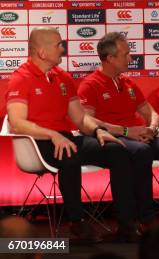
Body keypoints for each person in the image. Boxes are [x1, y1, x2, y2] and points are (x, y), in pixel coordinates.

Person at [5, 27, 137, 242]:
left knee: (116, 150)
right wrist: (52, 134)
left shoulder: (62, 77)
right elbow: (17, 124)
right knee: (69, 156)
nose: (63, 49)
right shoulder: (22, 78)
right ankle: (77, 223)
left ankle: (125, 224)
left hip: (66, 138)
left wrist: (97, 131)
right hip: (38, 143)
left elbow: (79, 118)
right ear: (42, 52)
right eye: (58, 45)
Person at [78, 32, 159, 233]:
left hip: (142, 137)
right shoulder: (90, 85)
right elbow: (86, 121)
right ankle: (145, 219)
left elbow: (151, 113)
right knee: (141, 152)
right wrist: (127, 131)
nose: (131, 58)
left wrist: (152, 129)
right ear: (110, 58)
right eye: (126, 54)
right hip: (117, 140)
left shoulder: (127, 82)